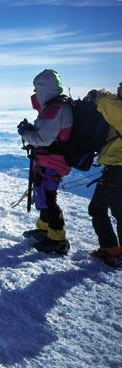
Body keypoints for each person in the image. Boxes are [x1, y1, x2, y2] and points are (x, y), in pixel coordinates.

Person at [18, 69, 73, 255]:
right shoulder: (58, 106)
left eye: (36, 87)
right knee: (43, 194)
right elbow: (49, 134)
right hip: (50, 160)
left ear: (43, 87)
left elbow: (43, 139)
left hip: (52, 161)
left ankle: (58, 239)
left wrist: (26, 133)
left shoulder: (53, 109)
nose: (35, 92)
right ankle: (44, 229)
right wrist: (31, 130)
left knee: (48, 199)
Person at [86, 83, 122, 267]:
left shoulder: (117, 108)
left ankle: (110, 250)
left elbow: (110, 105)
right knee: (119, 210)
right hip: (117, 167)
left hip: (117, 167)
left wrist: (97, 95)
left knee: (97, 208)